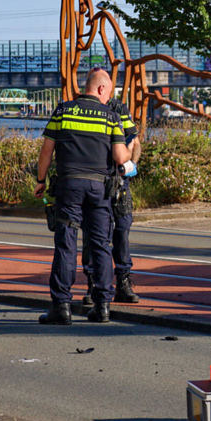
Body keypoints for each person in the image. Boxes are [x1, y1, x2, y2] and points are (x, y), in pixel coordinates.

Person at [34, 68, 131, 325]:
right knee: (100, 244)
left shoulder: (63, 111)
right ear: (101, 89)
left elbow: (46, 151)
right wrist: (131, 152)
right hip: (99, 189)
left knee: (66, 243)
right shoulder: (111, 116)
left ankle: (62, 307)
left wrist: (41, 180)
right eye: (108, 92)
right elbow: (120, 157)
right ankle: (102, 307)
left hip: (69, 186)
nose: (108, 97)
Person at [81, 97, 141, 306]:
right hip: (95, 180)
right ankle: (93, 283)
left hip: (119, 181)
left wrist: (130, 165)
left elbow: (135, 142)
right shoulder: (82, 110)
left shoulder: (119, 109)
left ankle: (123, 283)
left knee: (122, 231)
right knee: (93, 233)